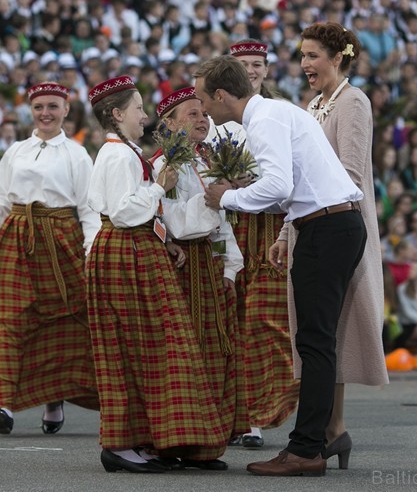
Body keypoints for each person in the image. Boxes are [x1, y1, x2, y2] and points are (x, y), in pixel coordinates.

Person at [196, 55, 367, 477]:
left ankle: (307, 448)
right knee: (314, 341)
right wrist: (286, 228)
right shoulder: (278, 111)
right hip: (326, 224)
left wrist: (227, 198)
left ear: (221, 95)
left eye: (203, 100)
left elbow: (279, 185)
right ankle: (319, 439)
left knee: (313, 343)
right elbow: (298, 183)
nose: (203, 110)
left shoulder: (264, 120)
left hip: (327, 229)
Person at [86, 76, 231, 473]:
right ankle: (121, 444)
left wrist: (162, 236)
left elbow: (136, 213)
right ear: (117, 114)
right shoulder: (117, 155)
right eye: (137, 108)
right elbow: (123, 212)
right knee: (132, 350)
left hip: (136, 246)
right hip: (124, 248)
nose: (144, 115)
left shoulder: (126, 152)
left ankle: (145, 440)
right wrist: (160, 188)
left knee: (145, 351)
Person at [277, 22, 388, 470]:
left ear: (338, 57)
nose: (305, 64)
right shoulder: (315, 105)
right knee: (328, 331)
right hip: (311, 224)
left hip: (339, 225)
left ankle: (326, 432)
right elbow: (301, 177)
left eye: (312, 55)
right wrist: (287, 232)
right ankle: (333, 430)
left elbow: (350, 174)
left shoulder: (353, 102)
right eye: (302, 55)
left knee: (325, 331)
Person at [0, 83, 100, 435]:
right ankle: (2, 403)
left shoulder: (77, 154)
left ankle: (54, 400)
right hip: (16, 237)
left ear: (66, 110)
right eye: (39, 106)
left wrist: (92, 251)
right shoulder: (16, 151)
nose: (45, 113)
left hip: (60, 240)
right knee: (7, 319)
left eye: (53, 107)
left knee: (64, 320)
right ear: (31, 109)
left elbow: (88, 208)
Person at [151, 87, 249, 468]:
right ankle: (177, 440)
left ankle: (207, 442)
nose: (201, 119)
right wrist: (213, 198)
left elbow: (223, 225)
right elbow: (173, 222)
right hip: (179, 266)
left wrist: (229, 267)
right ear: (169, 124)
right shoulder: (163, 166)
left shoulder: (206, 161)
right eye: (191, 114)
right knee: (181, 356)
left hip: (209, 266)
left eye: (203, 113)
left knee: (213, 353)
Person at [218, 39, 300, 449]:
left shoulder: (280, 111)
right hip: (229, 226)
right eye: (243, 64)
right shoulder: (218, 120)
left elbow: (292, 173)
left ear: (267, 70)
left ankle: (267, 410)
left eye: (258, 64)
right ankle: (240, 418)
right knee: (230, 321)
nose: (251, 70)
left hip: (270, 228)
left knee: (268, 322)